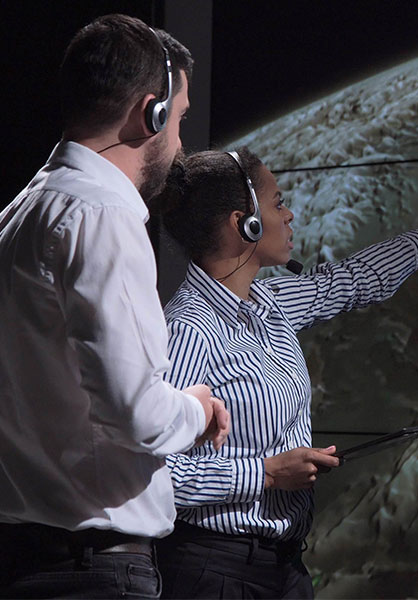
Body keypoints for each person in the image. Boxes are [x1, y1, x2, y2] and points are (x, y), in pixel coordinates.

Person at [151, 147, 418, 599]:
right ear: (243, 223)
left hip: (281, 567)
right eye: (278, 203)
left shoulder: (270, 304)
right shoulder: (187, 328)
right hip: (216, 571)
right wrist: (264, 474)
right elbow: (158, 473)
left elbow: (357, 279)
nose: (290, 214)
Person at [0, 14, 230, 599]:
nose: (179, 142)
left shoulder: (20, 213)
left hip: (27, 559)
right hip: (93, 572)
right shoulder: (104, 215)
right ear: (150, 112)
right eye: (177, 121)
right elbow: (137, 414)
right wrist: (199, 411)